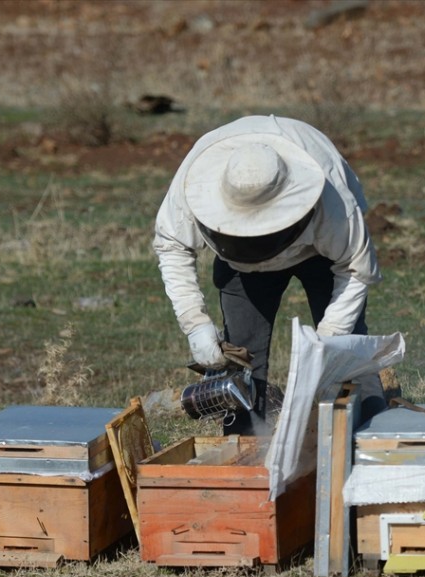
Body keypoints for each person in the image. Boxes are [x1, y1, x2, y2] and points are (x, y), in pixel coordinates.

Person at [153, 114, 386, 435]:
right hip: (240, 269)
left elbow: (356, 268)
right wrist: (195, 324)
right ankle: (246, 444)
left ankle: (371, 435)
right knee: (241, 359)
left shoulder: (333, 202)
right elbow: (172, 246)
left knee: (347, 351)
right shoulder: (192, 184)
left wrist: (330, 338)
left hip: (320, 253)